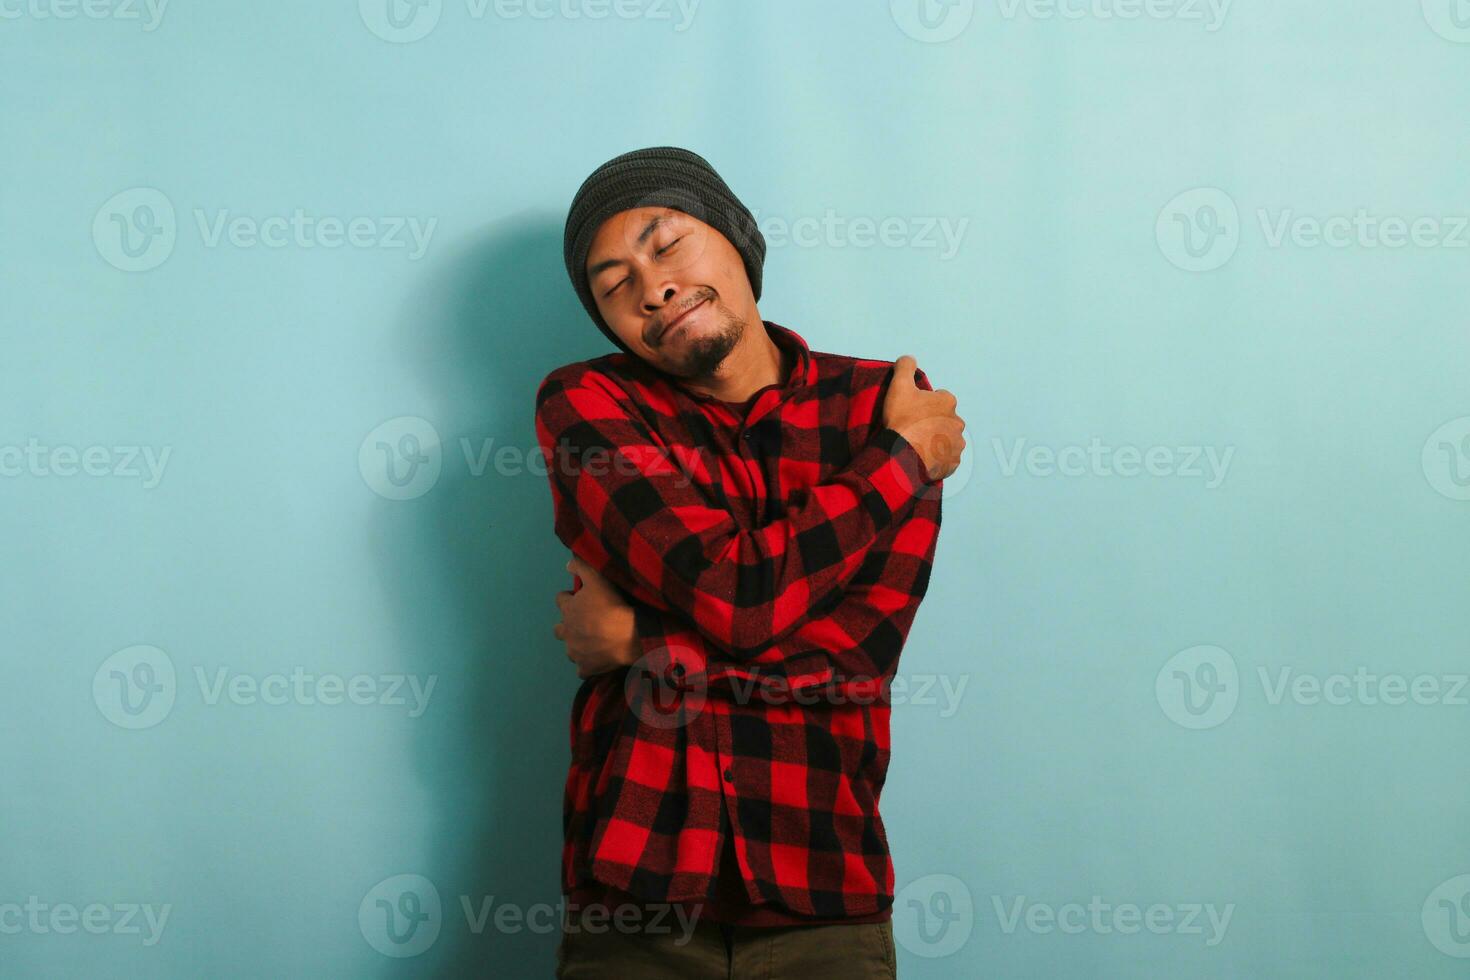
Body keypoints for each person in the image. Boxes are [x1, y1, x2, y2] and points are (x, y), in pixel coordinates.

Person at [534, 146, 965, 978]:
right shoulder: (588, 405)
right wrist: (902, 459)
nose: (652, 287)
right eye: (613, 282)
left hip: (823, 888)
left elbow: (853, 665)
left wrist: (641, 646)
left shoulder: (884, 404)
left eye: (667, 245)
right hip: (636, 893)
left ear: (737, 237)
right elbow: (732, 598)